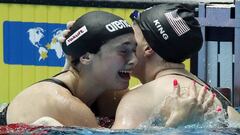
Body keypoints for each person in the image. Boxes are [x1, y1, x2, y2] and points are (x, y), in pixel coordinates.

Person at [0, 10, 208, 128]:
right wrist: (174, 125)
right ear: (87, 57)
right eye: (123, 51)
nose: (133, 60)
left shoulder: (108, 94)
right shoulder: (61, 103)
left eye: (134, 49)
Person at [111, 3, 233, 129]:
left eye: (133, 38)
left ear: (148, 48)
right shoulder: (220, 101)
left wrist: (173, 126)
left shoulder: (137, 101)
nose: (126, 42)